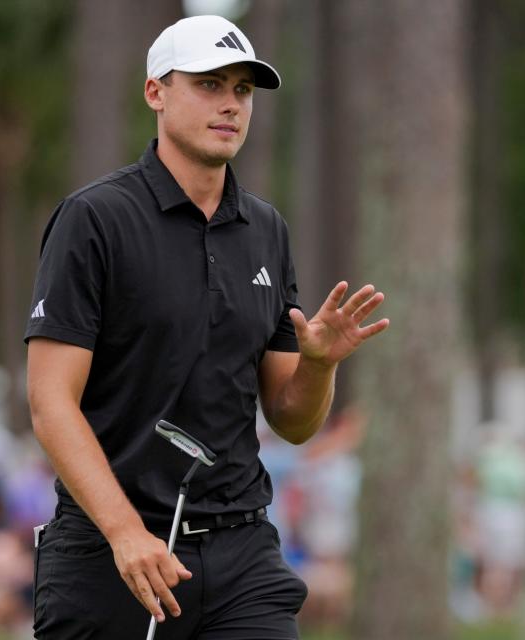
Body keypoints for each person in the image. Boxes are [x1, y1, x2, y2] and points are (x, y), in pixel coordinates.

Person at [24, 14, 388, 640]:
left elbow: (292, 422)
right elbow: (50, 402)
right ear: (155, 92)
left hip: (242, 550)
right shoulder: (96, 218)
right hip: (112, 549)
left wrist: (319, 365)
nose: (230, 106)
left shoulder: (266, 229)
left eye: (242, 91)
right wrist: (123, 532)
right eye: (209, 85)